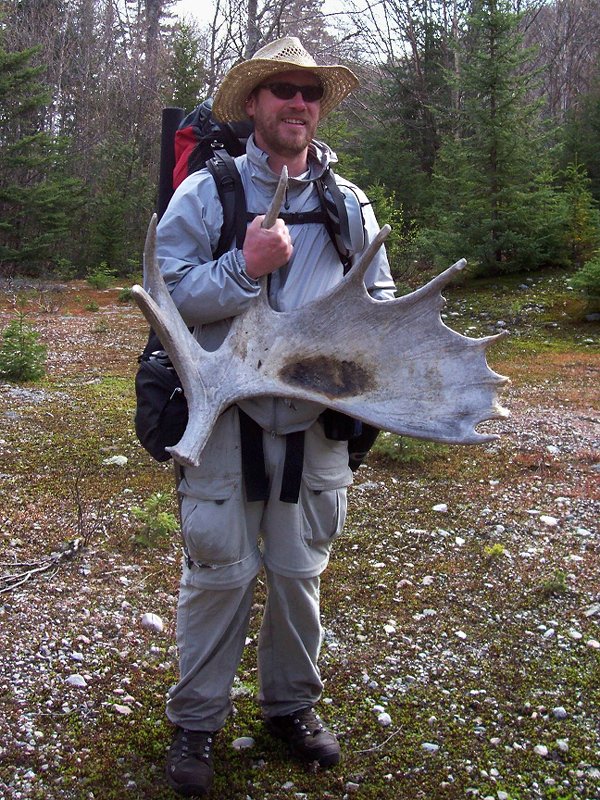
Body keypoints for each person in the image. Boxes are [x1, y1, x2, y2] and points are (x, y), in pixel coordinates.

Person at [156, 36, 396, 798]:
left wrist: (366, 352)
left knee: (300, 575)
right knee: (219, 574)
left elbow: (382, 304)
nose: (299, 102)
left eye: (311, 92)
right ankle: (197, 720)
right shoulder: (206, 195)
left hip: (315, 426)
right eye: (284, 90)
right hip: (222, 420)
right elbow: (165, 299)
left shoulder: (347, 203)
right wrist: (243, 267)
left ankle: (289, 708)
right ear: (254, 103)